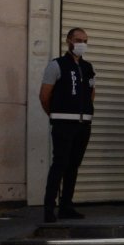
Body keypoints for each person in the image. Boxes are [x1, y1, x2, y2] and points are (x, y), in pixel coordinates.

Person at [38, 27, 94, 223]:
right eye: (78, 39)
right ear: (68, 41)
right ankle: (48, 207)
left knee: (73, 165)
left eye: (85, 40)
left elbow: (91, 93)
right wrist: (54, 115)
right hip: (63, 123)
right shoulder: (57, 65)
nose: (81, 44)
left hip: (83, 123)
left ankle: (66, 205)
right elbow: (44, 96)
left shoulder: (88, 68)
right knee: (59, 163)